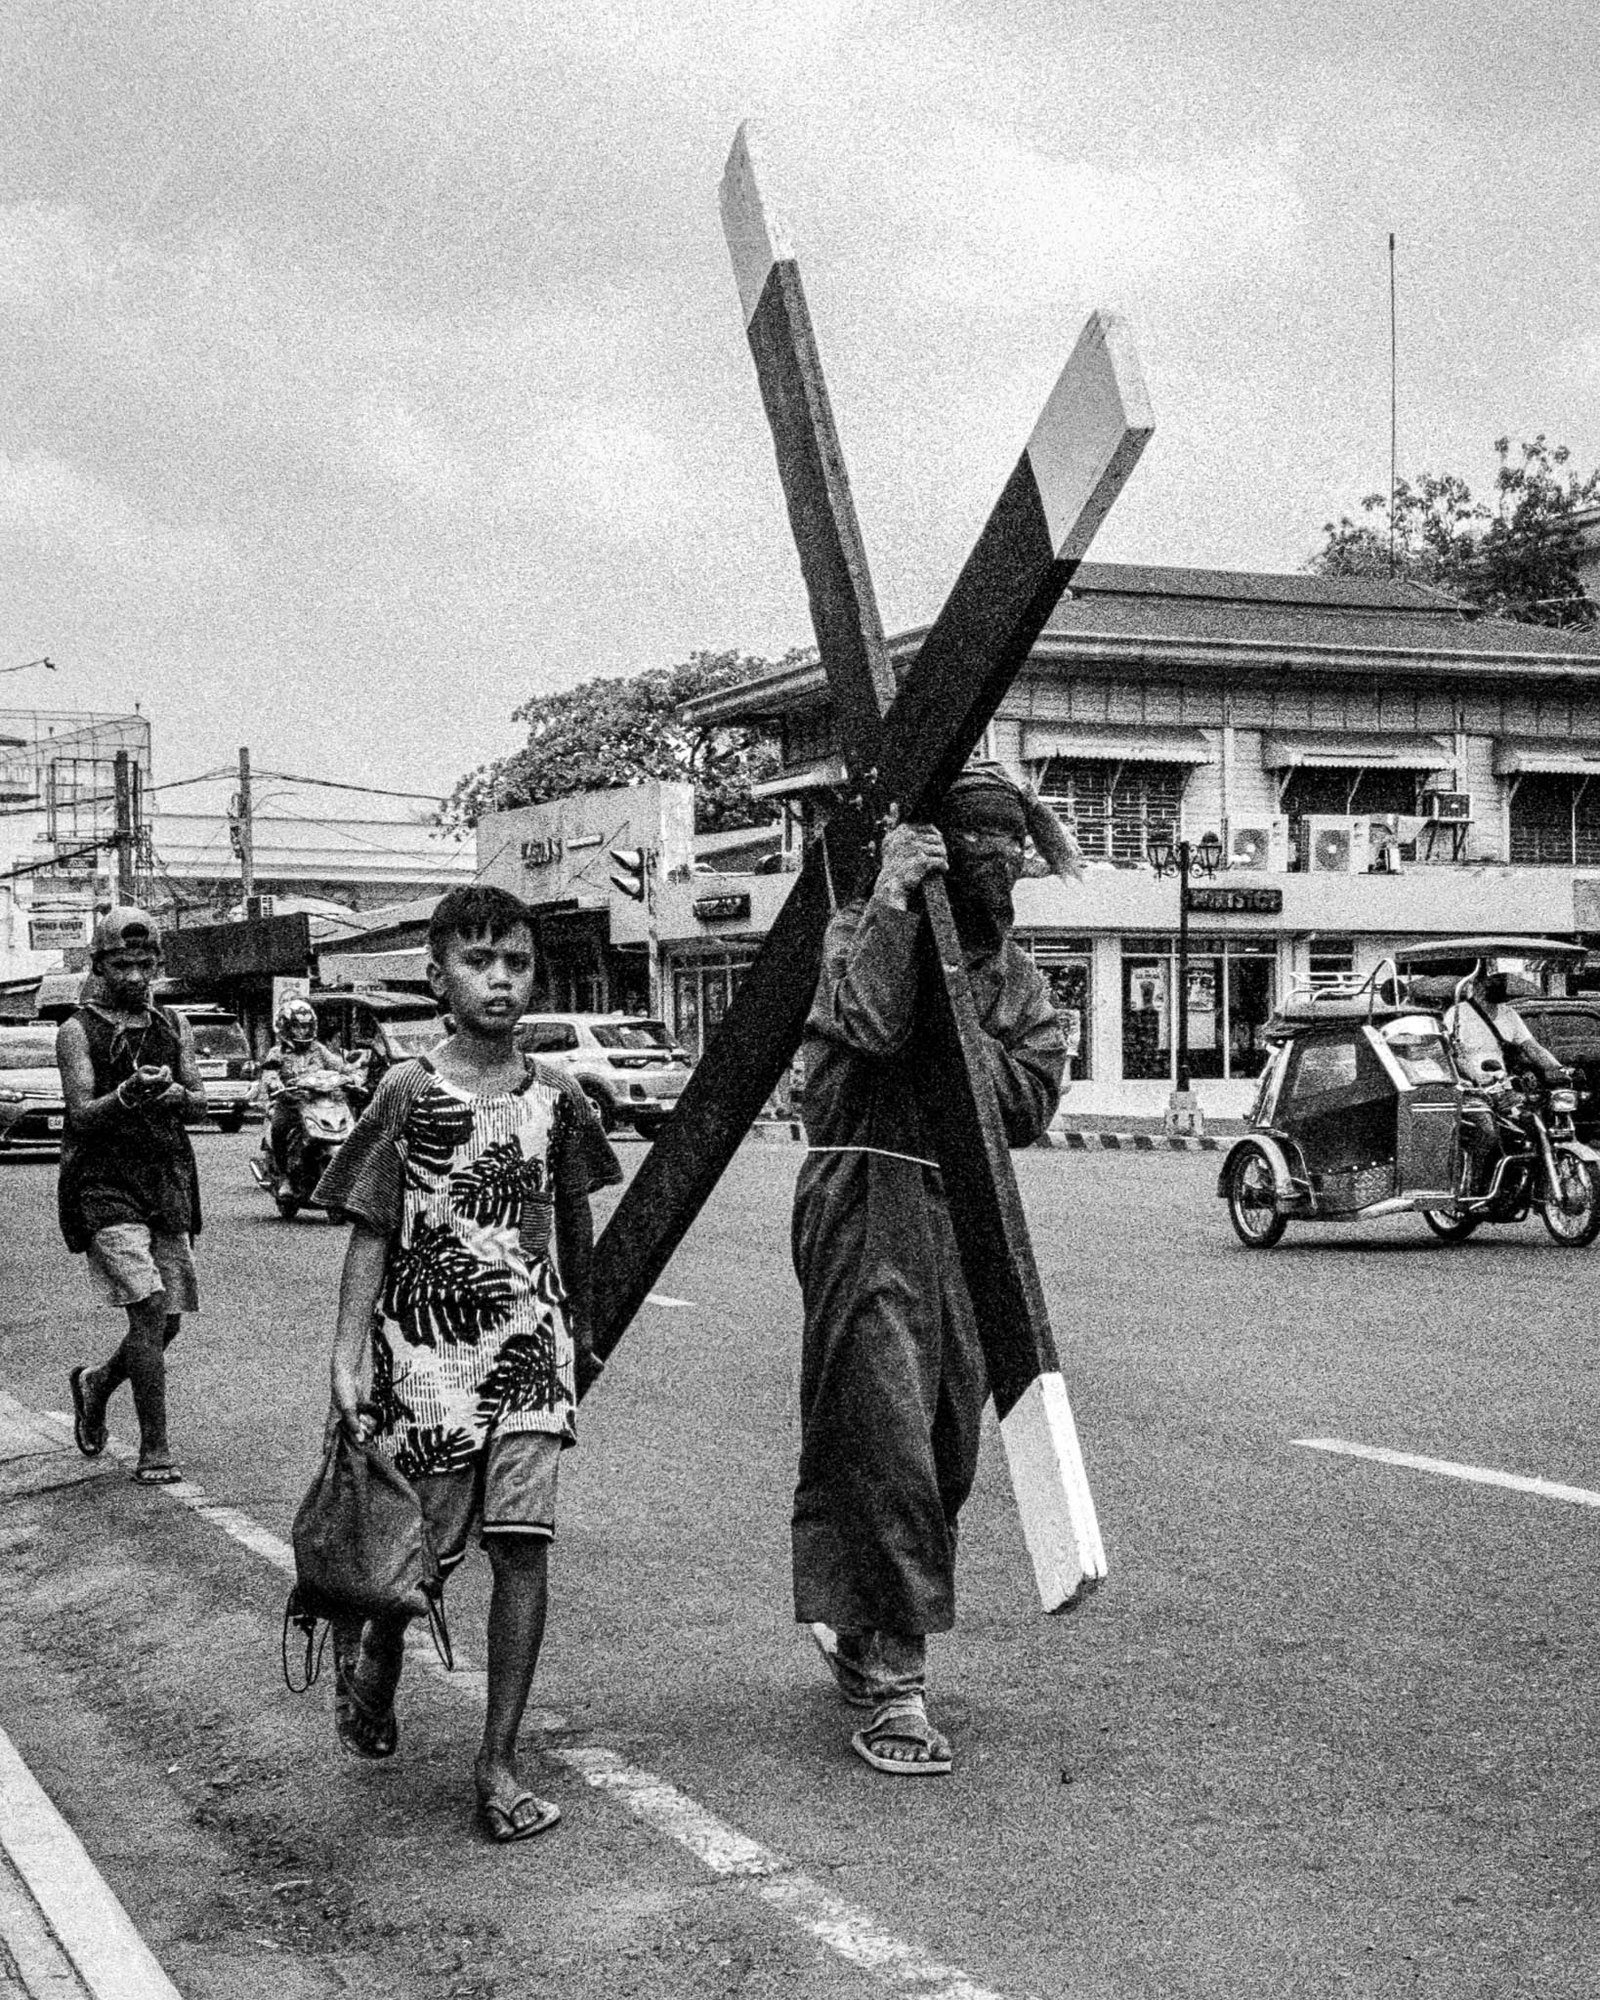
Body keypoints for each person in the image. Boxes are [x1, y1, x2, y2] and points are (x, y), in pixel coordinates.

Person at [314, 884, 621, 1843]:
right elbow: (370, 1230)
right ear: (438, 974)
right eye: (478, 961)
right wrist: (347, 1356)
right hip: (428, 1359)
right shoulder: (406, 1093)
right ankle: (379, 1658)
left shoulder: (558, 1098)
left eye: (517, 962)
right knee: (428, 1555)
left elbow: (575, 1231)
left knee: (523, 1547)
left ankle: (498, 1762)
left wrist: (586, 1338)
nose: (500, 979)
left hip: (531, 1353)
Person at [792, 768, 1075, 1776]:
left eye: (1009, 859)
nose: (993, 875)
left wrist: (951, 1021)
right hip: (866, 1198)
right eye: (972, 854)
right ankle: (894, 1682)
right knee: (882, 1437)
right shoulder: (861, 927)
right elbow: (865, 1024)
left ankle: (863, 1621)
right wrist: (899, 901)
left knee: (948, 1442)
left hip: (964, 1217)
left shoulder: (1023, 982)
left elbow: (1029, 1099)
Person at [60, 907, 207, 1485]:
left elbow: (200, 1101)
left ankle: (97, 1382)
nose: (136, 975)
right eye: (123, 964)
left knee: (167, 1321)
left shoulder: (174, 1026)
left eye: (146, 964)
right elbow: (81, 1114)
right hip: (104, 1184)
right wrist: (125, 1093)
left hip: (165, 1179)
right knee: (146, 1308)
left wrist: (173, 1092)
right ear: (101, 965)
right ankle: (155, 1449)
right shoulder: (77, 1030)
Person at [258, 996, 349, 1177]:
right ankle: (285, 1176)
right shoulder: (277, 1052)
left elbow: (339, 1066)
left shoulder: (318, 1049)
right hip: (290, 1103)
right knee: (279, 1129)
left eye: (306, 1026)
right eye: (297, 1026)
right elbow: (270, 1074)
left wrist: (354, 1075)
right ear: (286, 1027)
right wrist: (275, 1083)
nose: (302, 1031)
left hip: (320, 1103)